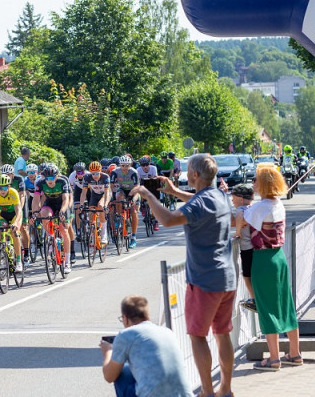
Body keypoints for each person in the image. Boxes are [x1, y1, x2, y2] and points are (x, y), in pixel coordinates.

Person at [130, 153, 235, 397]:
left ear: (195, 174)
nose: (187, 174)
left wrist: (149, 196)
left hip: (203, 279)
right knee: (222, 333)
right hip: (227, 277)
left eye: (189, 171)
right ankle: (225, 390)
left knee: (198, 336)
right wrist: (175, 192)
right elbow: (197, 203)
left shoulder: (201, 202)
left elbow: (167, 219)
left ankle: (207, 392)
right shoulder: (218, 195)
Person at [241, 166, 301, 371]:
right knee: (286, 305)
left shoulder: (260, 207)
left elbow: (239, 221)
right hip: (279, 257)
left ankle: (274, 358)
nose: (252, 184)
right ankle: (294, 353)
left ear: (264, 184)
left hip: (263, 259)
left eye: (255, 180)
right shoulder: (277, 204)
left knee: (266, 308)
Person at [100, 296, 193, 397]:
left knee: (122, 372)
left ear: (125, 319)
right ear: (147, 316)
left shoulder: (125, 335)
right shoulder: (167, 332)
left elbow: (109, 377)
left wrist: (108, 352)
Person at [32, 164, 73, 274]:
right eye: (47, 178)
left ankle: (67, 262)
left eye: (51, 178)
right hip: (50, 203)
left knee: (64, 231)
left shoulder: (62, 182)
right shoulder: (40, 183)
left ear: (56, 176)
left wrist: (62, 211)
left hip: (62, 205)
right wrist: (35, 213)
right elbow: (36, 200)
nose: (49, 181)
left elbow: (65, 199)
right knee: (43, 214)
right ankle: (50, 237)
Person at [230, 184, 256, 312]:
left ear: (240, 199)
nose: (232, 200)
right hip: (256, 247)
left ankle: (255, 299)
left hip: (247, 248)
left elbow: (238, 218)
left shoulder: (241, 209)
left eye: (233, 197)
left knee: (247, 276)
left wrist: (238, 232)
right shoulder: (253, 208)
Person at [110, 155, 139, 249]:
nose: (125, 168)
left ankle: (134, 237)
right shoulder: (115, 172)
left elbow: (137, 188)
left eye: (127, 165)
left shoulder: (133, 172)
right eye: (123, 165)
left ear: (130, 165)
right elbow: (111, 185)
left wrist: (133, 200)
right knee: (118, 197)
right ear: (120, 165)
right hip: (122, 189)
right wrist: (111, 198)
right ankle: (119, 217)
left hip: (133, 191)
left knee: (134, 210)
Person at [83, 161, 110, 245]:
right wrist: (81, 204)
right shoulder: (87, 177)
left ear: (100, 171)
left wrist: (105, 205)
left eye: (97, 173)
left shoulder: (105, 177)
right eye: (93, 173)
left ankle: (104, 233)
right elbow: (83, 192)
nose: (95, 176)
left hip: (104, 194)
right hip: (95, 194)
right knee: (91, 212)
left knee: (101, 206)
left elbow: (106, 193)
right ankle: (92, 234)